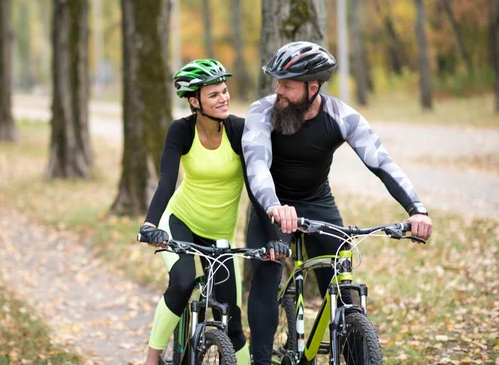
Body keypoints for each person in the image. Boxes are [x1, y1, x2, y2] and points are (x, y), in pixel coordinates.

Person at [241, 41, 434, 364]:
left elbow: (381, 162)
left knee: (342, 285)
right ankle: (260, 359)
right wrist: (274, 206)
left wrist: (417, 209)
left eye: (287, 85)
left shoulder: (340, 115)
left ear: (312, 88)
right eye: (277, 83)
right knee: (266, 275)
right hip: (272, 205)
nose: (279, 91)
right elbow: (257, 164)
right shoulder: (262, 111)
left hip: (317, 201)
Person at [138, 59, 263, 365]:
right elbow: (167, 182)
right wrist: (150, 224)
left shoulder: (238, 130)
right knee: (182, 282)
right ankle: (151, 358)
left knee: (232, 320)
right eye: (214, 94)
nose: (223, 98)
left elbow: (254, 187)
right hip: (179, 221)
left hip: (219, 235)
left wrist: (272, 235)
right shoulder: (181, 131)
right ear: (194, 102)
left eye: (224, 91)